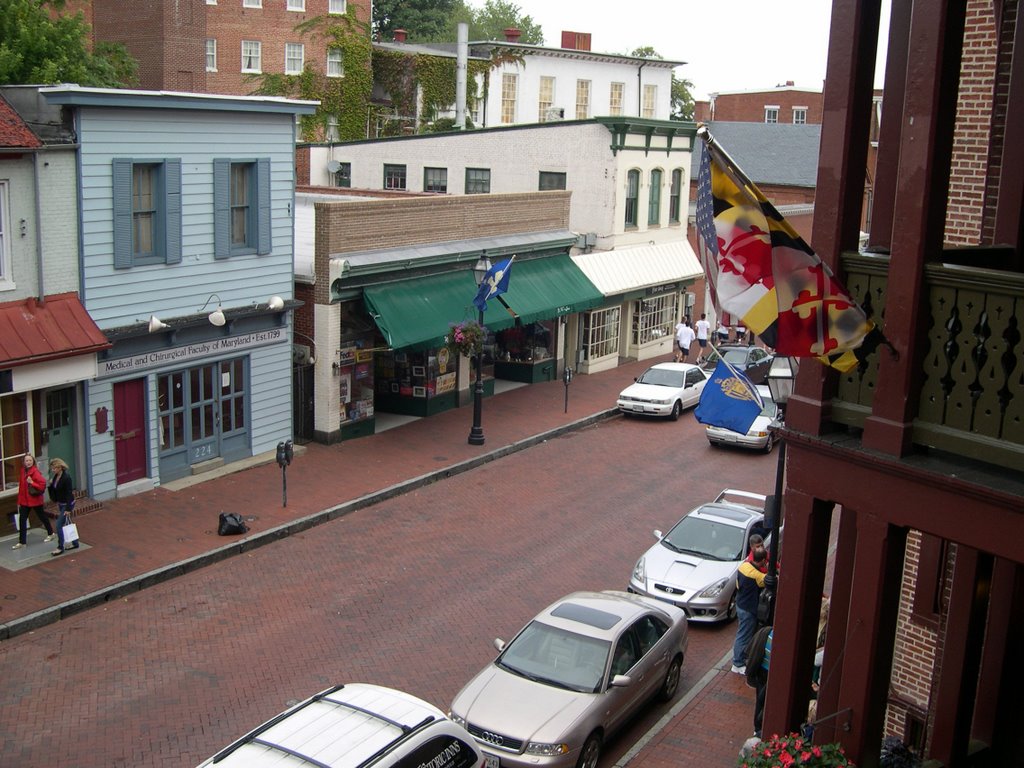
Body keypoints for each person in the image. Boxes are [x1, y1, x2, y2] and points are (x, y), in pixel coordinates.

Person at [732, 547, 767, 673]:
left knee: (742, 633)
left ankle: (739, 658)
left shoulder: (744, 567)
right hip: (748, 609)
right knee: (743, 636)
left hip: (740, 605)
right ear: (763, 560)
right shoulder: (757, 576)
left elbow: (737, 584)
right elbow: (769, 580)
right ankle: (737, 663)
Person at [12, 453, 53, 549]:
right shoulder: (23, 471)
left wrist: (32, 482)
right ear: (24, 462)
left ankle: (50, 533)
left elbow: (42, 485)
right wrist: (19, 501)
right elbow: (21, 488)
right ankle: (22, 542)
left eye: (30, 460)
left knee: (42, 516)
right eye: (26, 460)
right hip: (25, 501)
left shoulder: (35, 472)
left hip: (35, 500)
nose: (28, 462)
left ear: (33, 461)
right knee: (22, 520)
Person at [48, 457, 77, 556]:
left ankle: (60, 547)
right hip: (61, 503)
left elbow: (69, 493)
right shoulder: (56, 477)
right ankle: (75, 543)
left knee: (59, 524)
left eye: (54, 468)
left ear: (60, 467)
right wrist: (51, 485)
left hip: (67, 504)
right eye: (52, 468)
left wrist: (68, 509)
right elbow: (54, 493)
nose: (53, 470)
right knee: (68, 522)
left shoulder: (66, 478)